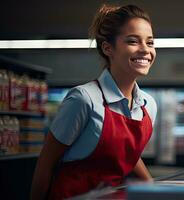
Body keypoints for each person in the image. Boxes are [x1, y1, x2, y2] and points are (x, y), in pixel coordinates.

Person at [30, 4, 157, 200]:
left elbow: (126, 152)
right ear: (108, 48)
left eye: (150, 43)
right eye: (133, 41)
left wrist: (152, 186)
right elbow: (45, 164)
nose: (145, 50)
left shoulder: (148, 105)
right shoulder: (83, 99)